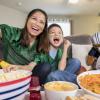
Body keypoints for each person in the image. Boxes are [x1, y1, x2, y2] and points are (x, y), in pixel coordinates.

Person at [0, 8, 51, 84]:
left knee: (46, 67)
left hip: (27, 76)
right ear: (27, 20)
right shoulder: (13, 33)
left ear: (44, 28)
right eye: (34, 19)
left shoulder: (42, 44)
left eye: (41, 22)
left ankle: (31, 89)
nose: (37, 24)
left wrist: (18, 67)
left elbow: (30, 67)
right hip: (7, 74)